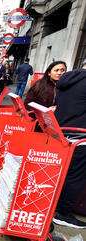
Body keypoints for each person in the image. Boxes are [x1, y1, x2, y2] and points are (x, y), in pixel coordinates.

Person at [52, 59, 86, 228]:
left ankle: (55, 206)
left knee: (63, 174)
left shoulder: (68, 78)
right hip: (79, 138)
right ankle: (63, 214)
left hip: (62, 133)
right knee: (74, 177)